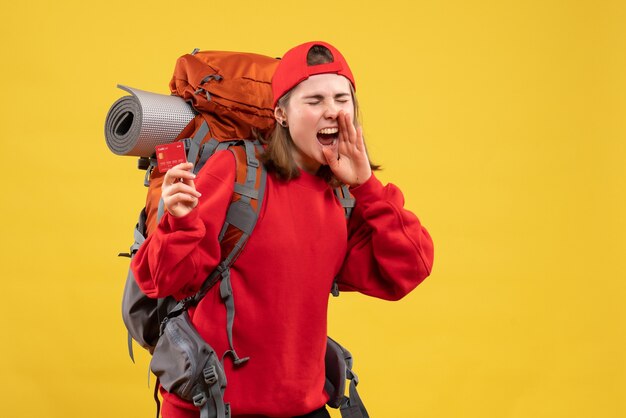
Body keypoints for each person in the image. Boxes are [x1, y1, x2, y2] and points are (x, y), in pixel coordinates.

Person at [131, 41, 434, 418]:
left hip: (304, 408)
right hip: (212, 407)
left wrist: (367, 186)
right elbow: (164, 280)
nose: (333, 112)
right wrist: (179, 222)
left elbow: (406, 270)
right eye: (315, 100)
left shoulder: (342, 193)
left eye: (343, 99)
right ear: (281, 114)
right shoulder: (236, 170)